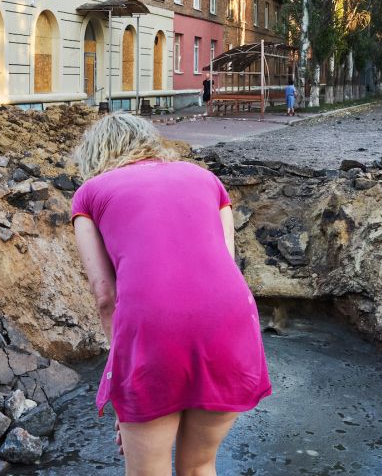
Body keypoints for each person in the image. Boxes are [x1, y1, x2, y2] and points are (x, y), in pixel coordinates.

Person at [71, 114, 272, 476]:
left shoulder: (90, 194)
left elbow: (105, 295)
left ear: (95, 154)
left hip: (156, 331)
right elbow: (224, 264)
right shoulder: (207, 180)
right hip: (231, 322)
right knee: (199, 467)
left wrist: (122, 380)